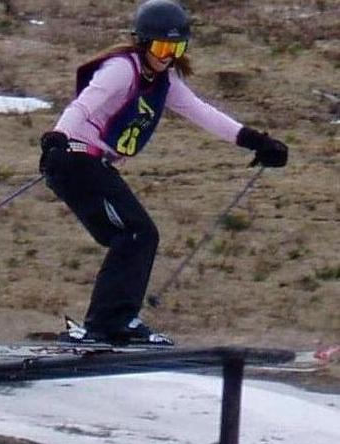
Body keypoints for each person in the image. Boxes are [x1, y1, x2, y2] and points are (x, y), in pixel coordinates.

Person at [39, 0, 288, 346]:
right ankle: (109, 323)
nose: (168, 55)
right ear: (142, 42)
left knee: (135, 235)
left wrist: (256, 142)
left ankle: (114, 321)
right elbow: (83, 105)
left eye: (177, 47)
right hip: (73, 158)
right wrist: (56, 138)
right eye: (161, 47)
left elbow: (202, 113)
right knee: (138, 233)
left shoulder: (163, 81)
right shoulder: (122, 69)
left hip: (92, 163)